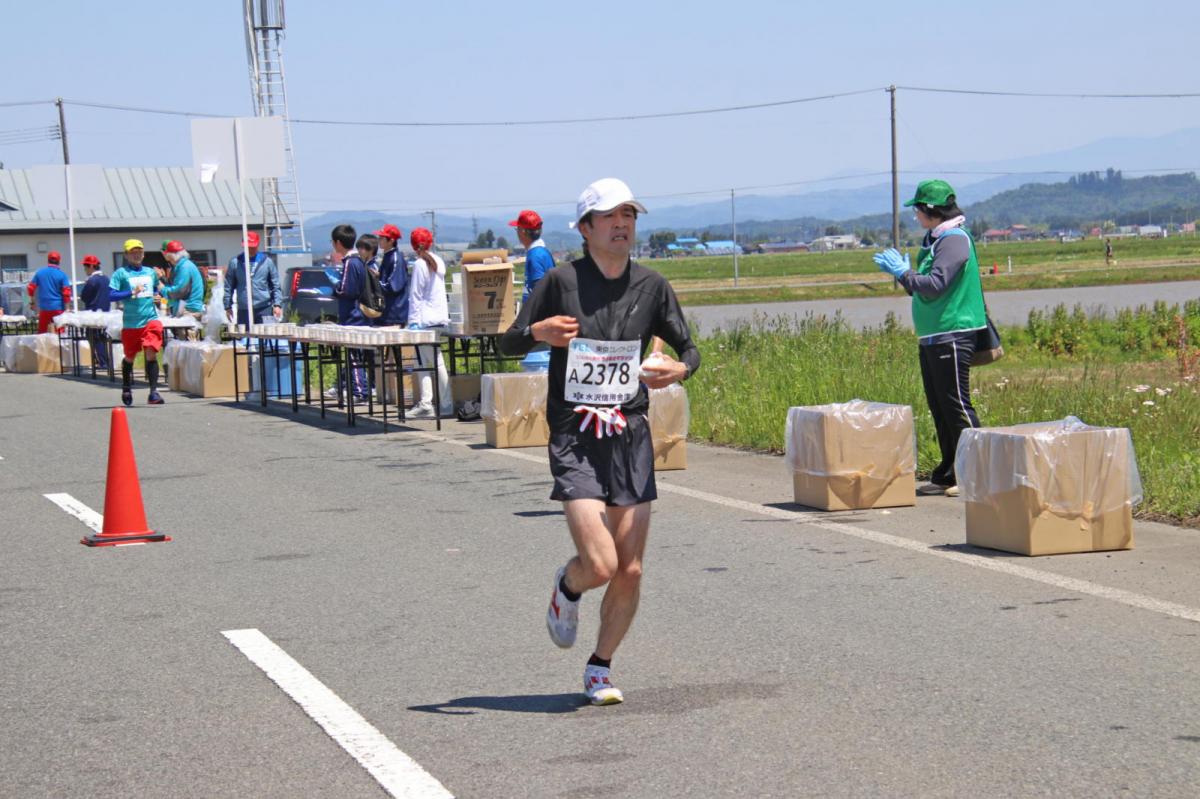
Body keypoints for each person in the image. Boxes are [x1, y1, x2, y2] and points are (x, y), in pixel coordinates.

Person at [499, 177, 700, 706]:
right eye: (610, 216)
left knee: (631, 567)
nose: (622, 224)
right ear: (585, 227)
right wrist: (538, 334)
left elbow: (689, 347)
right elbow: (507, 341)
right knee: (602, 563)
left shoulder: (653, 286)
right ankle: (568, 586)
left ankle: (600, 667)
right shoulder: (561, 281)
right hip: (575, 434)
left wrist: (679, 369)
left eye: (629, 215)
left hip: (630, 433)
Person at [873, 179, 985, 497]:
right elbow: (919, 286)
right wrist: (906, 276)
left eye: (918, 210)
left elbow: (935, 284)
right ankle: (949, 472)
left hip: (953, 332)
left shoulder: (954, 240)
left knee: (956, 404)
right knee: (939, 406)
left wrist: (904, 274)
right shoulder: (934, 239)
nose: (916, 216)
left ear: (931, 210)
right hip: (933, 335)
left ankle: (976, 473)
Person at [108, 239, 165, 406]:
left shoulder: (150, 272)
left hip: (150, 319)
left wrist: (158, 295)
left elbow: (155, 289)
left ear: (144, 253)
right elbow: (111, 295)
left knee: (151, 351)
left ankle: (153, 392)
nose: (137, 254)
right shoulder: (121, 273)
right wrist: (130, 292)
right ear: (126, 255)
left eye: (139, 251)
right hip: (132, 323)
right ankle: (126, 386)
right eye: (132, 252)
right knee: (130, 357)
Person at [406, 227, 452, 418]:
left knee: (430, 361)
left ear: (414, 246)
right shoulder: (438, 261)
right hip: (439, 318)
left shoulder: (419, 264)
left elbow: (416, 295)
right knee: (426, 360)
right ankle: (434, 402)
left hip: (425, 320)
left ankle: (435, 403)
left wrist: (413, 322)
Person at [329, 224, 371, 400]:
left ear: (338, 243)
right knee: (355, 356)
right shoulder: (358, 261)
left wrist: (334, 288)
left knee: (354, 356)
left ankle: (359, 391)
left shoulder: (350, 262)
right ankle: (354, 388)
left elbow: (347, 289)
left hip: (352, 316)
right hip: (358, 315)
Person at [223, 231, 281, 327]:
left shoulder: (267, 262)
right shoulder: (235, 262)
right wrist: (227, 306)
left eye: (253, 246)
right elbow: (228, 286)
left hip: (264, 307)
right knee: (244, 337)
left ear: (257, 245)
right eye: (248, 246)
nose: (251, 249)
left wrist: (277, 305)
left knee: (267, 337)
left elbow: (275, 285)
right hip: (244, 308)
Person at [509, 209, 556, 304]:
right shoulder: (539, 252)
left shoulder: (535, 256)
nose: (517, 233)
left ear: (522, 231)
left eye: (517, 229)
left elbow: (540, 292)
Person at [158, 240, 205, 321]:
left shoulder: (184, 267)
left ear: (170, 255)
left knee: (185, 333)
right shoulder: (180, 266)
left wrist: (160, 286)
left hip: (188, 310)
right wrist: (163, 299)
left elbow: (178, 291)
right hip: (186, 308)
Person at [27, 250, 72, 333]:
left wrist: (33, 302)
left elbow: (30, 287)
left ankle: (41, 345)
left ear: (48, 260)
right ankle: (60, 345)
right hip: (58, 308)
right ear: (59, 261)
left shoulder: (40, 273)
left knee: (42, 332)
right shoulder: (62, 275)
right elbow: (66, 292)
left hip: (44, 308)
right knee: (60, 333)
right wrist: (67, 308)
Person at [373, 224, 409, 327]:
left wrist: (376, 282)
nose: (379, 240)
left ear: (391, 240)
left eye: (382, 238)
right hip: (387, 310)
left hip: (395, 311)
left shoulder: (395, 258)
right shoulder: (387, 255)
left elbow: (393, 286)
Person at [80, 254, 111, 369]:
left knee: (93, 337)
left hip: (92, 314)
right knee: (102, 337)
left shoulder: (92, 280)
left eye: (85, 267)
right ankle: (104, 360)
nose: (85, 270)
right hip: (105, 313)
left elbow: (84, 297)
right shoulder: (106, 279)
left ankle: (102, 362)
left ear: (91, 267)